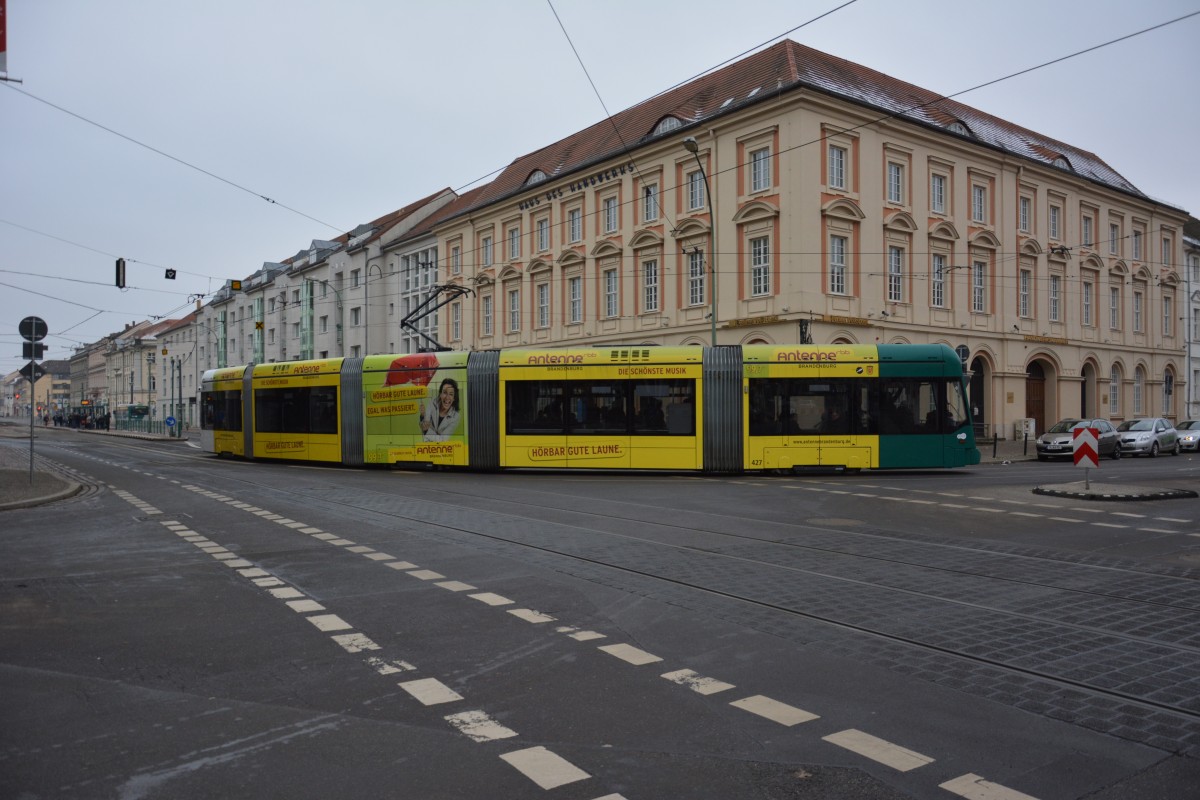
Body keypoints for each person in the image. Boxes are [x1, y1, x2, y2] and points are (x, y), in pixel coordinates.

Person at [420, 377, 460, 441]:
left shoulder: (455, 417)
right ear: (440, 394)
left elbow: (442, 440)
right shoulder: (432, 402)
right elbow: (423, 425)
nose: (447, 397)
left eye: (451, 394)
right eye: (444, 392)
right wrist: (422, 415)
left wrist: (427, 431)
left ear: (454, 398)